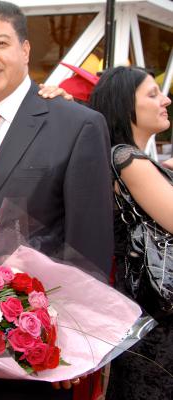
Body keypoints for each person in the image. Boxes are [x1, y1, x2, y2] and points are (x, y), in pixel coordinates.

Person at [0, 2, 114, 400]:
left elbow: (91, 245)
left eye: (0, 42)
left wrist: (73, 344)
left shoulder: (76, 126)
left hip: (34, 353)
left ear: (26, 50)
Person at [89, 66, 173, 400]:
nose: (165, 99)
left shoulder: (126, 159)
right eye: (152, 94)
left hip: (145, 310)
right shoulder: (127, 158)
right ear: (126, 107)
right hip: (158, 314)